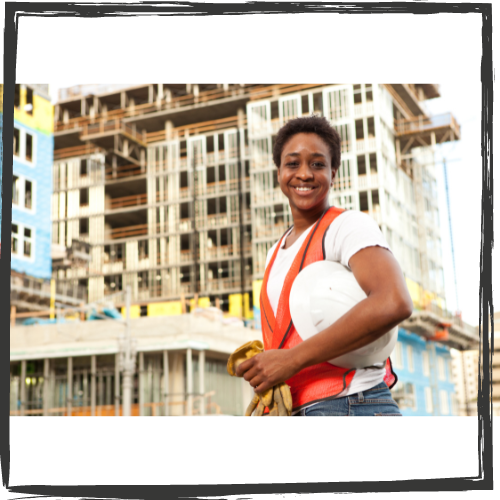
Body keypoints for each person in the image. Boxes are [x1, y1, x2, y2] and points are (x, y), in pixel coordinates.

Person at [236, 116, 413, 416]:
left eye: (317, 164)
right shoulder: (274, 252)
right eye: (293, 164)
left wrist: (290, 360)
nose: (304, 174)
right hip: (300, 410)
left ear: (333, 173)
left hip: (350, 403)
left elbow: (393, 302)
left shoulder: (347, 226)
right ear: (279, 172)